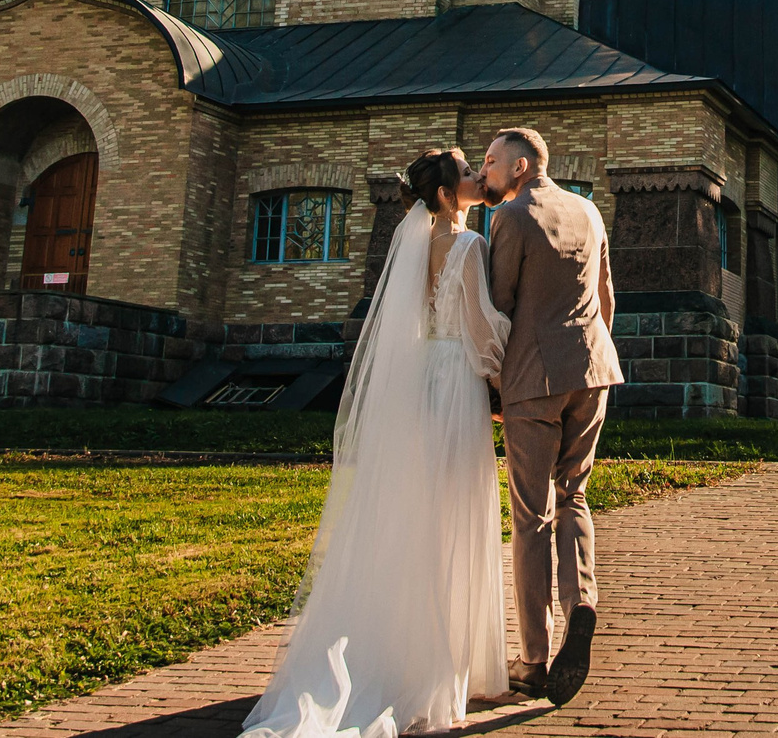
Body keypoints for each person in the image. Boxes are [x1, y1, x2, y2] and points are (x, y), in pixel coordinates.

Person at [240, 148, 510, 738]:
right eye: (465, 175)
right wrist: (514, 348)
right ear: (445, 195)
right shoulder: (468, 246)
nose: (473, 180)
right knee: (455, 507)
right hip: (455, 379)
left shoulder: (409, 249)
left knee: (417, 511)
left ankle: (403, 646)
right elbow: (482, 327)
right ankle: (446, 663)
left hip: (418, 378)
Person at [485, 126, 625, 708]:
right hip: (593, 370)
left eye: (491, 162)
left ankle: (536, 659)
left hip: (532, 379)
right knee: (575, 496)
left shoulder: (512, 218)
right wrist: (588, 358)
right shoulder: (590, 211)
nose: (485, 172)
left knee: (530, 516)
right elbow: (608, 296)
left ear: (520, 168)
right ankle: (582, 603)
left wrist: (494, 385)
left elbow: (498, 305)